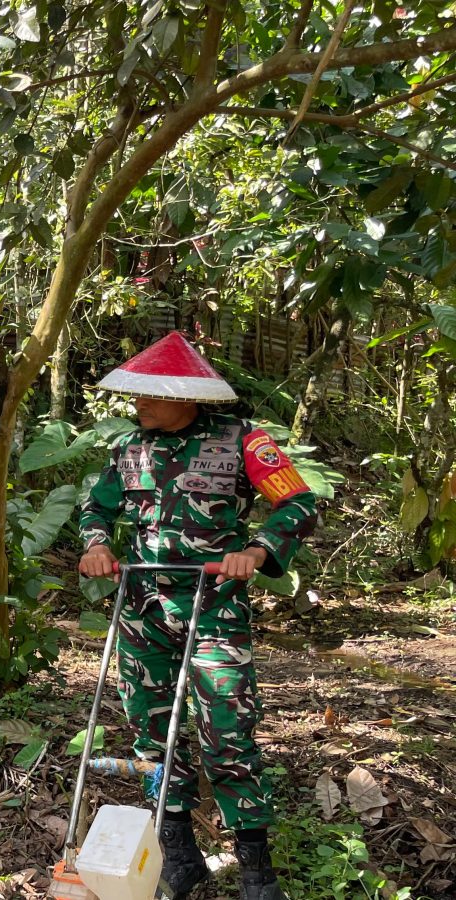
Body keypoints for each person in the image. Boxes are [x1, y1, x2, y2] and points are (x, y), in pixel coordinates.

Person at [77, 331, 317, 900]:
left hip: (214, 611)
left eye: (149, 395)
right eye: (136, 396)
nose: (138, 404)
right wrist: (96, 544)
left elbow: (299, 503)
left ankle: (257, 871)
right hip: (143, 612)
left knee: (228, 735)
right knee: (153, 733)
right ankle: (180, 856)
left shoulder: (244, 442)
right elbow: (96, 507)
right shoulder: (128, 449)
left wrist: (256, 551)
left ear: (185, 395)